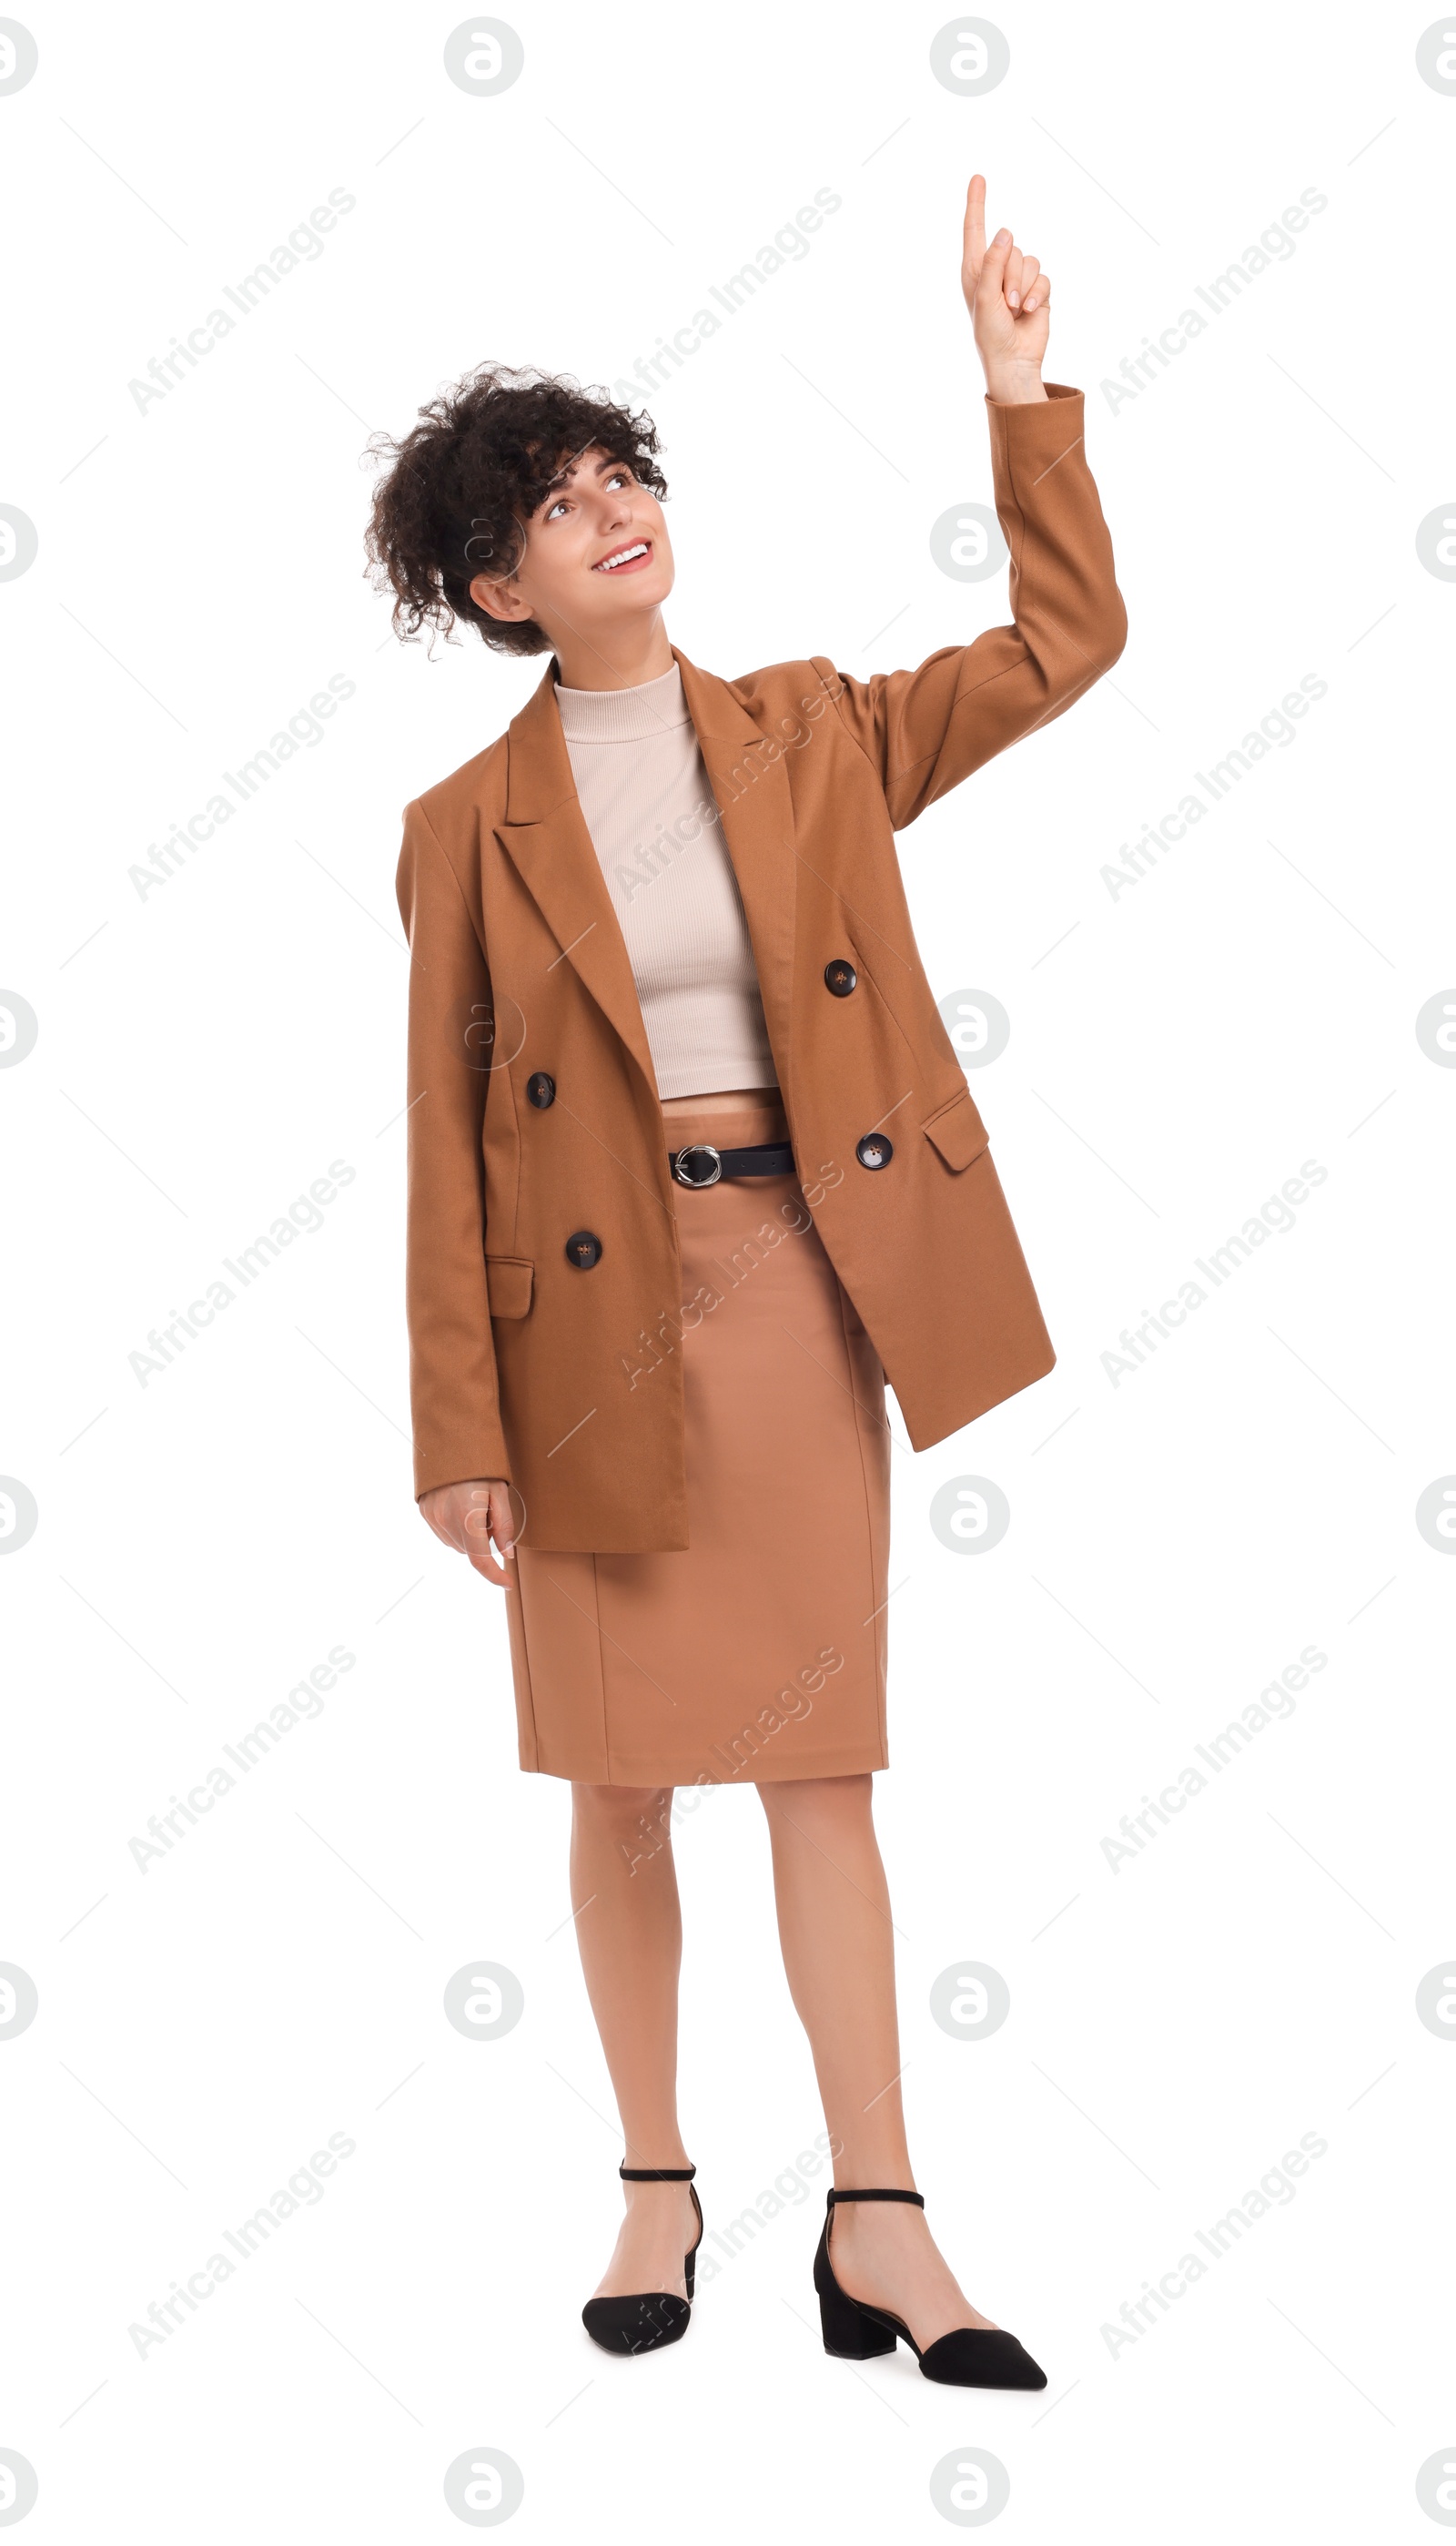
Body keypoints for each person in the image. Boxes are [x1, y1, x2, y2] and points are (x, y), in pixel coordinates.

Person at [365, 173, 1126, 2382]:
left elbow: (1063, 650)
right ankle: (652, 2183)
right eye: (551, 503)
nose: (607, 510)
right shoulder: (455, 829)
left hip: (799, 1286)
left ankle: (881, 2217)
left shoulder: (810, 729)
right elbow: (432, 1145)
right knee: (618, 1780)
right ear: (493, 585)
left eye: (620, 474)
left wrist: (1016, 397)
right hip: (575, 1339)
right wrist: (454, 1427)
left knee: (822, 1768)